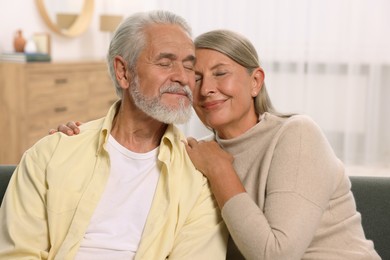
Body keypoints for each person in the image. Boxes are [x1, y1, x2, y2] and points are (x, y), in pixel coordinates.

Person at [57, 29, 381, 259]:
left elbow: (276, 255)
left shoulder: (296, 134)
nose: (206, 88)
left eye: (220, 73)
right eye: (195, 78)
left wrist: (219, 170)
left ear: (255, 81)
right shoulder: (196, 153)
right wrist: (76, 140)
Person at [0, 11, 228, 259]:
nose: (183, 77)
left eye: (188, 66)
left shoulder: (198, 176)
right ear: (123, 72)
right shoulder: (50, 153)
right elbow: (17, 254)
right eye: (165, 63)